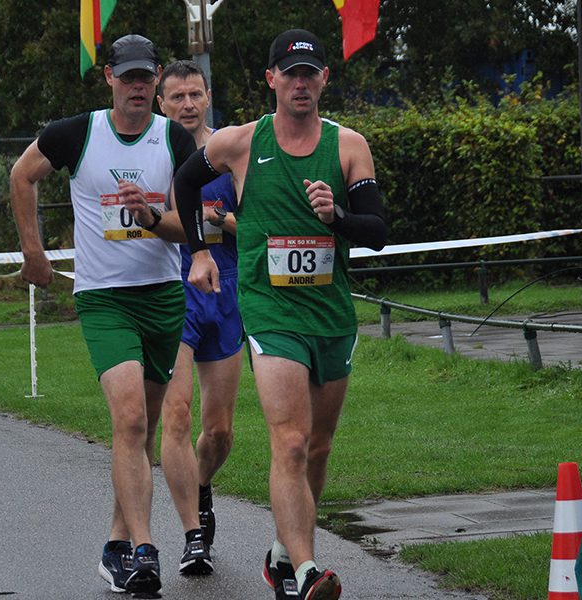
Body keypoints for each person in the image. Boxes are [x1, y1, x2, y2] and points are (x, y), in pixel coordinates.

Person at [173, 30, 388, 600]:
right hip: (270, 312)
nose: (300, 82)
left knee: (317, 446)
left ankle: (280, 553)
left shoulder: (349, 146)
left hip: (331, 315)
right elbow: (186, 182)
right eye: (289, 73)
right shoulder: (241, 144)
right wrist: (198, 249)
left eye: (310, 73)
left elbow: (378, 234)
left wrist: (336, 215)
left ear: (323, 80)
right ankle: (308, 568)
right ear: (271, 79)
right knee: (289, 442)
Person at [9, 34, 197, 596]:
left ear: (157, 79)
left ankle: (116, 544)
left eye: (146, 78)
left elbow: (200, 225)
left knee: (141, 434)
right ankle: (144, 552)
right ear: (109, 78)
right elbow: (21, 176)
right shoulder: (77, 133)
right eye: (128, 77)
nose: (138, 87)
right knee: (130, 421)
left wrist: (155, 221)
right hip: (104, 298)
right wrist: (34, 252)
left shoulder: (176, 139)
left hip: (164, 295)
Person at [151, 60, 242, 577]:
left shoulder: (230, 153)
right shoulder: (155, 156)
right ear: (162, 104)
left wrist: (217, 220)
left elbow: (256, 227)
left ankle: (201, 484)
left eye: (195, 95)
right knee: (178, 415)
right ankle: (192, 534)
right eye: (177, 96)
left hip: (226, 289)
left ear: (208, 97)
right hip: (175, 288)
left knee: (221, 431)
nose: (187, 104)